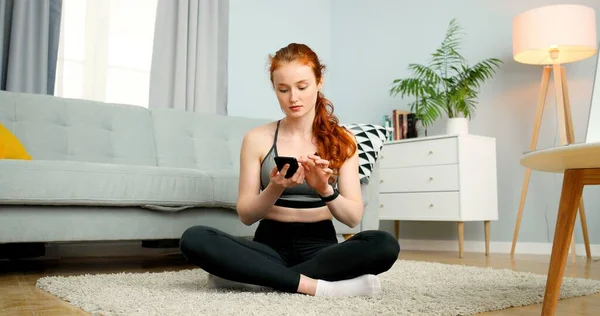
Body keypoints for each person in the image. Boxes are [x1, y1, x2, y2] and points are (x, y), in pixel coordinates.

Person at [179, 43, 400, 297]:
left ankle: (258, 276)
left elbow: (352, 218)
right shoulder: (257, 138)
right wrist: (274, 188)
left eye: (302, 87)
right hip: (269, 244)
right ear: (274, 89)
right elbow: (247, 215)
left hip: (320, 246)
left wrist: (325, 189)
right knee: (194, 238)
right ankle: (314, 286)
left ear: (319, 82)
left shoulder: (343, 140)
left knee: (384, 244)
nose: (293, 98)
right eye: (283, 89)